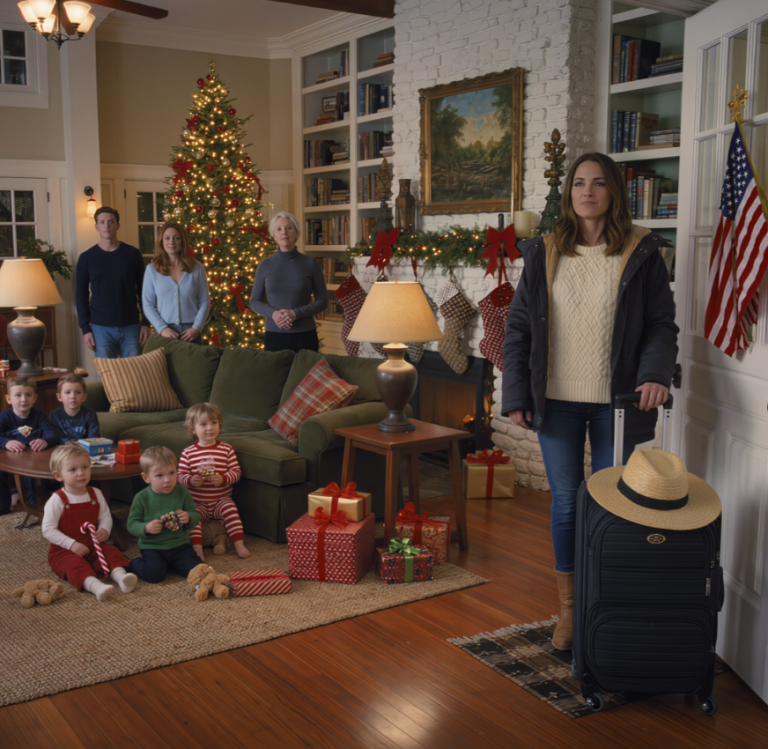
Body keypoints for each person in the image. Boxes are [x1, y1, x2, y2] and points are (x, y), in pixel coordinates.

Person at [501, 152, 678, 651]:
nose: (587, 191)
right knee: (566, 503)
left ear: (613, 192)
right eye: (579, 183)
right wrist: (516, 392)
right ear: (569, 194)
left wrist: (655, 375)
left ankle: (606, 604)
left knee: (613, 503)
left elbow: (661, 326)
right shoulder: (544, 251)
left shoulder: (642, 252)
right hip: (554, 400)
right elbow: (518, 328)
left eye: (599, 183)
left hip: (618, 404)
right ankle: (570, 611)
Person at [43, 444, 137, 602]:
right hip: (64, 551)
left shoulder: (96, 493)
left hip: (93, 546)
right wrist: (71, 544)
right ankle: (95, 586)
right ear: (58, 476)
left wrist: (104, 529)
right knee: (74, 565)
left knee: (111, 552)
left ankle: (121, 577)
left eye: (85, 467)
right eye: (73, 470)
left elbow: (105, 516)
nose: (81, 473)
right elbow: (48, 530)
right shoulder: (57, 500)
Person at [76, 206, 150, 359]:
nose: (106, 225)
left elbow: (144, 291)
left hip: (131, 326)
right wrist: (85, 329)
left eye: (111, 221)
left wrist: (146, 323)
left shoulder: (133, 254)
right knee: (107, 378)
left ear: (118, 225)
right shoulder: (86, 258)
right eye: (102, 222)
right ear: (96, 226)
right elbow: (81, 295)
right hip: (100, 328)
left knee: (133, 376)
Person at [177, 403, 249, 560]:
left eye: (213, 423)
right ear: (193, 429)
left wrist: (224, 478)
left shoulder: (226, 449)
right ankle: (197, 550)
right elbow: (180, 476)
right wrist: (191, 480)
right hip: (197, 502)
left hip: (220, 500)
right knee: (192, 518)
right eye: (203, 424)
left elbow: (236, 473)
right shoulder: (188, 452)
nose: (209, 428)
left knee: (231, 511)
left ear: (220, 425)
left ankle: (239, 543)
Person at [249, 212, 328, 352]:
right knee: (276, 374)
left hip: (305, 335)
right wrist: (274, 314)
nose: (284, 232)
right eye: (278, 229)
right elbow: (255, 301)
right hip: (274, 334)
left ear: (297, 233)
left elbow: (322, 300)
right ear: (274, 235)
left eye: (289, 228)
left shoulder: (310, 263)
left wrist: (295, 314)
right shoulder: (265, 265)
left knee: (304, 374)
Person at [126, 446, 201, 584]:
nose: (167, 480)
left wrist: (189, 517)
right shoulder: (142, 497)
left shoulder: (183, 493)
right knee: (154, 575)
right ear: (146, 477)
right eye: (159, 475)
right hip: (153, 547)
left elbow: (196, 516)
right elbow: (131, 524)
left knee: (197, 571)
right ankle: (132, 563)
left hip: (180, 545)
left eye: (172, 473)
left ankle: (172, 565)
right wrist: (146, 528)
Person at [142, 222, 210, 345]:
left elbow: (204, 301)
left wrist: (196, 328)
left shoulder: (197, 268)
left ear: (182, 241)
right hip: (165, 333)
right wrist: (162, 328)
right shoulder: (152, 269)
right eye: (167, 238)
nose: (171, 242)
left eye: (176, 238)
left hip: (191, 333)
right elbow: (148, 304)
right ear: (161, 241)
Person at [0, 375, 57, 512]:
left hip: (31, 458)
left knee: (32, 472)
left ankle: (32, 504)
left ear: (35, 398)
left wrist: (45, 441)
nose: (23, 399)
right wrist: (6, 442)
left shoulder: (39, 415)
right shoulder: (5, 416)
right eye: (18, 395)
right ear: (9, 399)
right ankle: (3, 507)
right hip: (8, 458)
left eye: (28, 395)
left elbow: (52, 433)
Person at [49, 373, 100, 442]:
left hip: (85, 450)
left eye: (78, 392)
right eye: (67, 392)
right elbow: (56, 439)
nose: (73, 396)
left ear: (84, 397)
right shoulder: (54, 416)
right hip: (64, 451)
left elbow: (94, 438)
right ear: (59, 397)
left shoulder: (90, 414)